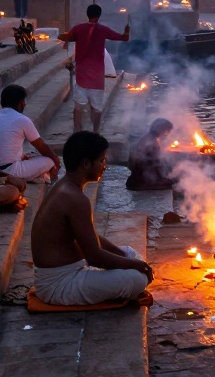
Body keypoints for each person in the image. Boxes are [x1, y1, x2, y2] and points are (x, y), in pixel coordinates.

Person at [31, 131, 153, 306]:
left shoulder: (65, 186)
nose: (105, 165)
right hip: (58, 285)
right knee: (136, 279)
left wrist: (127, 259)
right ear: (86, 164)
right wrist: (134, 266)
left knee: (129, 253)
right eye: (102, 160)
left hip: (68, 272)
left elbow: (92, 239)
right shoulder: (75, 199)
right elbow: (94, 256)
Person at [60, 4, 129, 132]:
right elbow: (123, 38)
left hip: (82, 73)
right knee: (96, 107)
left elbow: (66, 37)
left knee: (78, 106)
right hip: (97, 75)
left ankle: (76, 130)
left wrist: (62, 36)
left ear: (87, 14)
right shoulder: (103, 30)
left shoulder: (78, 28)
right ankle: (96, 131)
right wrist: (126, 31)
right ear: (99, 15)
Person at [0, 85, 60, 182]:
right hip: (8, 171)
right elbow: (42, 147)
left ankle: (40, 176)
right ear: (20, 103)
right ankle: (45, 177)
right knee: (49, 161)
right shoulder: (22, 119)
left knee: (28, 156)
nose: (25, 105)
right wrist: (56, 162)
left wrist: (21, 156)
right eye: (24, 102)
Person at [126, 119, 174, 191]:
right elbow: (155, 163)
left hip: (137, 173)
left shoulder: (148, 136)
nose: (165, 134)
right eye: (166, 131)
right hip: (142, 177)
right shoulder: (152, 141)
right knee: (173, 181)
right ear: (160, 129)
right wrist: (160, 179)